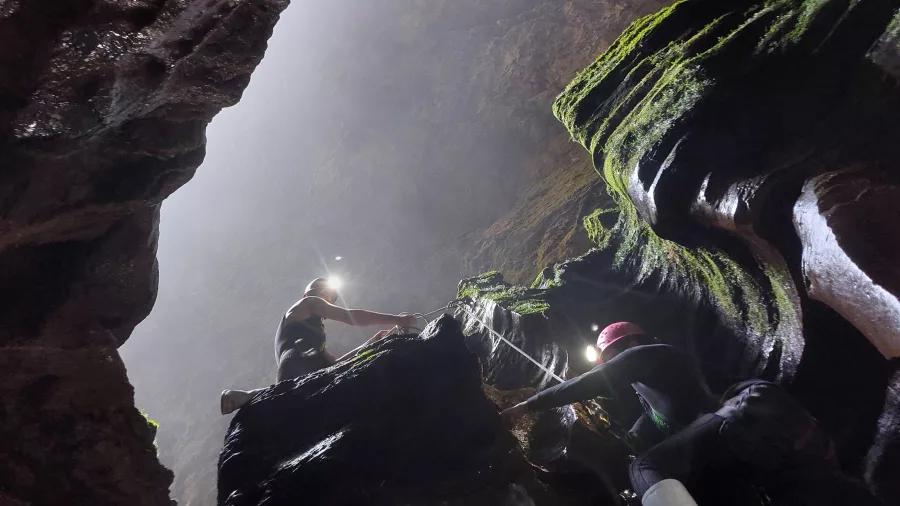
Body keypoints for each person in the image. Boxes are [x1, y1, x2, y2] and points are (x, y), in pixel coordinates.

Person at [628, 380, 882, 506]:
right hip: (822, 479)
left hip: (750, 421)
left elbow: (646, 466)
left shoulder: (746, 407)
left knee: (644, 467)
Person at [502, 322, 717, 451]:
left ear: (630, 344)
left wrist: (527, 406)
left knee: (643, 468)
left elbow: (586, 384)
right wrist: (629, 437)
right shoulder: (644, 377)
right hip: (693, 431)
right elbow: (653, 414)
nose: (610, 364)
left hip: (712, 426)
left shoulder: (645, 355)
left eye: (611, 356)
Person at [220, 277, 417, 414]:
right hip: (299, 362)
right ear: (314, 292)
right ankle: (245, 397)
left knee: (287, 393)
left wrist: (372, 342)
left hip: (297, 367)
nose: (329, 300)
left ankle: (244, 397)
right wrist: (397, 320)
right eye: (328, 294)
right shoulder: (308, 304)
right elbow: (353, 317)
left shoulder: (310, 333)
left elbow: (336, 364)